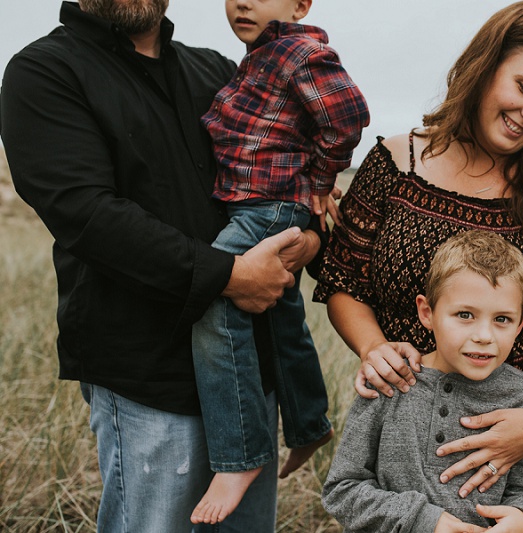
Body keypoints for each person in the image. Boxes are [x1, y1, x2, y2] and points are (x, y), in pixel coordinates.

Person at [0, 1, 322, 531]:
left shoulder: (218, 69)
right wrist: (232, 276)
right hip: (147, 378)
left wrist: (308, 242)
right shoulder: (44, 71)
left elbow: (283, 173)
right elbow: (87, 215)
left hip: (246, 375)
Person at [314, 1, 523, 531]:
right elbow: (344, 280)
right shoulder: (395, 163)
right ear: (484, 68)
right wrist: (373, 349)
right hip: (405, 445)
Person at [190, 0, 369, 524]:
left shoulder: (297, 51)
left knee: (212, 294)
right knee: (280, 316)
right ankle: (311, 423)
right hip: (258, 204)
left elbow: (349, 114)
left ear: (300, 4)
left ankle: (240, 456)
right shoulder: (257, 57)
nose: (243, 1)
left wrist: (318, 181)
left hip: (270, 206)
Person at [322, 230, 523, 533]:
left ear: (521, 322)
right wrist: (425, 521)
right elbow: (342, 490)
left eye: (502, 319)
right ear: (427, 312)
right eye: (465, 314)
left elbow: (520, 492)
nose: (484, 336)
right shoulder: (388, 380)